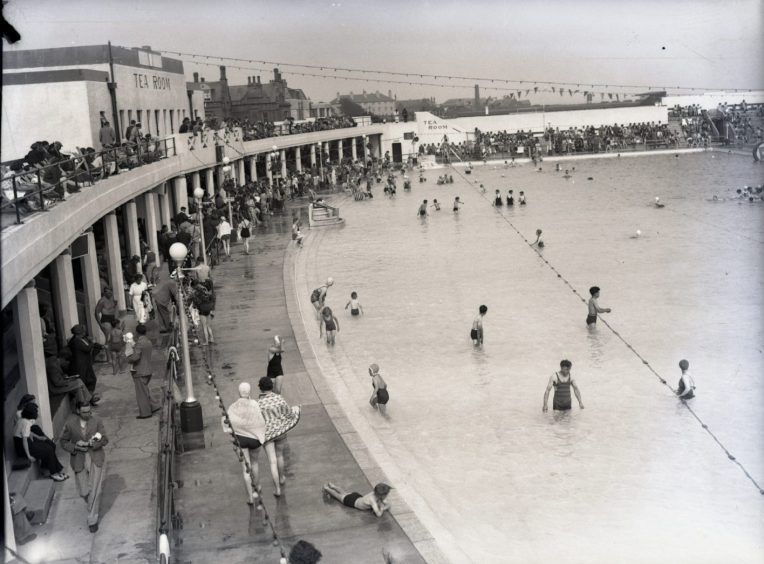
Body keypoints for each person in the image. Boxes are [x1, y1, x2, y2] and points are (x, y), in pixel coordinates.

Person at [223, 382, 282, 500]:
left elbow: (226, 424)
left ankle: (250, 497)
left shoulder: (233, 407)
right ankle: (258, 485)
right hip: (255, 439)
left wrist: (234, 434)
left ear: (238, 392)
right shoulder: (255, 404)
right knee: (254, 463)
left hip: (240, 440)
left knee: (246, 468)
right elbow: (261, 421)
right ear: (249, 392)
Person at [60, 403, 108, 532]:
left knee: (96, 491)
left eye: (89, 411)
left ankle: (92, 520)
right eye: (84, 412)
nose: (88, 414)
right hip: (79, 459)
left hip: (95, 457)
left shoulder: (97, 421)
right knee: (84, 491)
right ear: (78, 411)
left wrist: (94, 443)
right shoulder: (70, 424)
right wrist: (76, 446)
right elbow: (63, 442)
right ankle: (90, 502)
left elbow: (105, 439)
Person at [14, 403, 68, 481]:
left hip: (24, 442)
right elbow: (24, 440)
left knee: (49, 446)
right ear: (31, 413)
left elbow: (28, 432)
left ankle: (57, 470)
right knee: (48, 449)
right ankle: (53, 473)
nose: (37, 413)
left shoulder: (23, 419)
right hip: (22, 447)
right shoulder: (26, 423)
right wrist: (29, 456)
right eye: (35, 411)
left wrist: (38, 437)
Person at [126, 324, 159, 419]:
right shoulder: (148, 341)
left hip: (140, 371)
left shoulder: (140, 343)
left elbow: (136, 357)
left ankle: (145, 413)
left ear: (137, 332)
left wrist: (128, 358)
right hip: (148, 369)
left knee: (141, 394)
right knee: (145, 390)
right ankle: (154, 406)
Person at [322, 482, 392, 517]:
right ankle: (327, 489)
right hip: (352, 501)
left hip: (357, 497)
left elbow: (388, 504)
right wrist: (382, 509)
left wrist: (384, 505)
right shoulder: (372, 500)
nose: (387, 496)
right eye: (386, 495)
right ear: (382, 495)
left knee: (344, 493)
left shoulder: (375, 494)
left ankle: (333, 486)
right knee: (337, 495)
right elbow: (378, 514)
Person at [68, 324, 98, 393]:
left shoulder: (80, 339)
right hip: (80, 364)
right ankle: (88, 398)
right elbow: (87, 348)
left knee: (91, 379)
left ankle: (90, 397)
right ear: (79, 333)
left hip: (85, 363)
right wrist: (92, 342)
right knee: (85, 380)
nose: (84, 333)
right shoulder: (76, 341)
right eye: (83, 332)